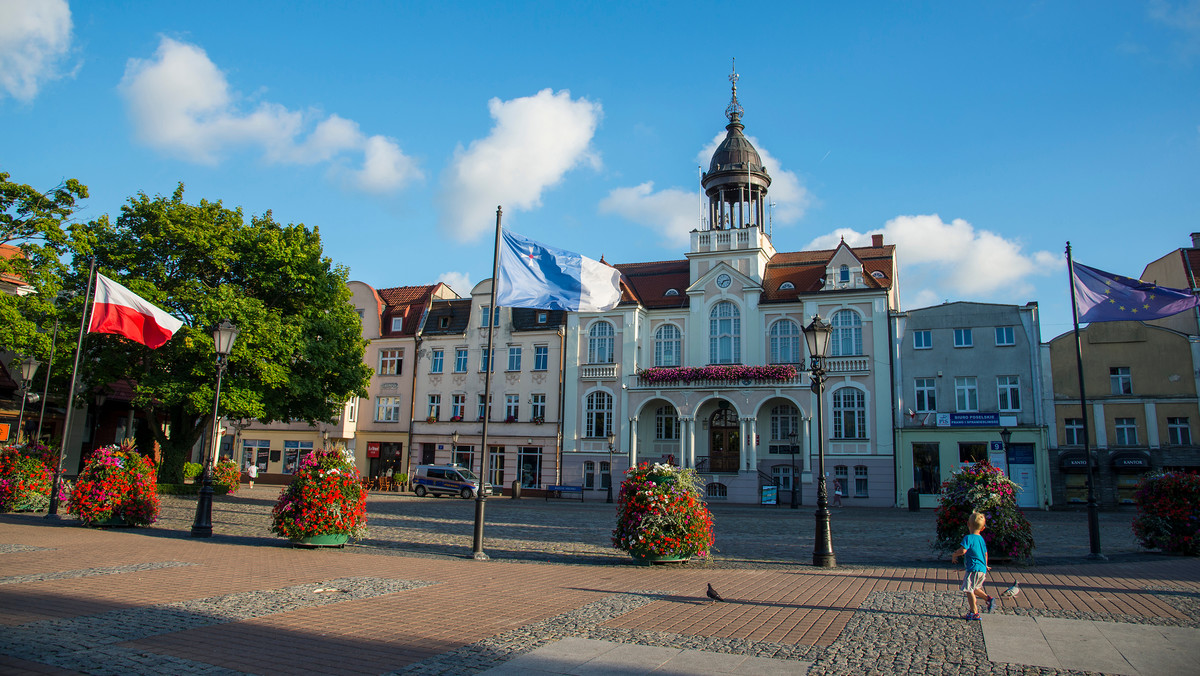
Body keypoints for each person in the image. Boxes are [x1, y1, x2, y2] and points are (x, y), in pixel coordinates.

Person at [951, 511, 995, 620]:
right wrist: (986, 564)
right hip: (982, 569)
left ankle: (974, 612)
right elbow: (985, 553)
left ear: (968, 524)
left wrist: (955, 554)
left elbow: (963, 550)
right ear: (983, 528)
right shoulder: (981, 539)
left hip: (973, 569)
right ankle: (988, 599)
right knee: (975, 588)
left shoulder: (968, 538)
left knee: (969, 589)